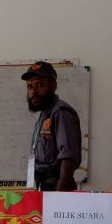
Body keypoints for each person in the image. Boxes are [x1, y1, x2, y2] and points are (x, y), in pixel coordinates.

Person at [21, 61, 82, 191]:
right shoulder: (44, 115)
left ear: (53, 85)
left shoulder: (61, 112)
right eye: (30, 86)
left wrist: (57, 199)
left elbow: (68, 157)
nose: (34, 91)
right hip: (43, 188)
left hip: (57, 189)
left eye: (39, 84)